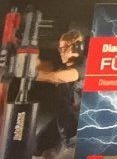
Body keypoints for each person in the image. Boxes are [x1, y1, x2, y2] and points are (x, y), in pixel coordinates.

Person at [32, 29, 85, 158]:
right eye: (60, 48)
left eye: (64, 48)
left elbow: (57, 77)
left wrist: (34, 75)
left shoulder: (82, 67)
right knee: (37, 147)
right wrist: (31, 50)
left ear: (76, 48)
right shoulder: (63, 66)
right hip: (62, 119)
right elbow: (40, 67)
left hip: (77, 126)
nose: (61, 52)